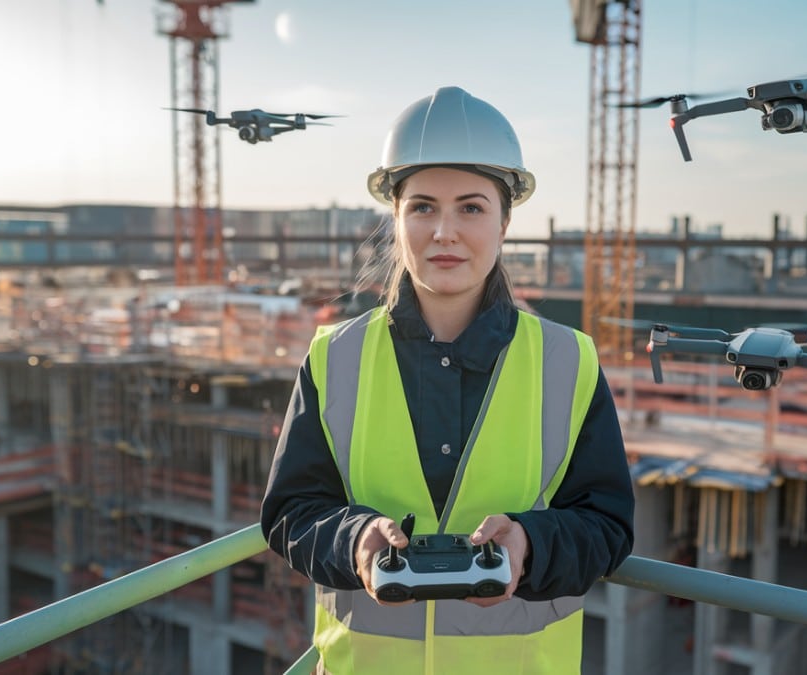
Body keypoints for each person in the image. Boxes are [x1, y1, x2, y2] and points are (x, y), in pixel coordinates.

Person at [260, 86, 635, 674]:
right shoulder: (335, 356)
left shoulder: (569, 360)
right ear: (397, 218)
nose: (444, 232)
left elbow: (607, 525)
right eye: (423, 206)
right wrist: (354, 540)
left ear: (505, 221)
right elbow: (292, 513)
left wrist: (529, 546)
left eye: (471, 207)